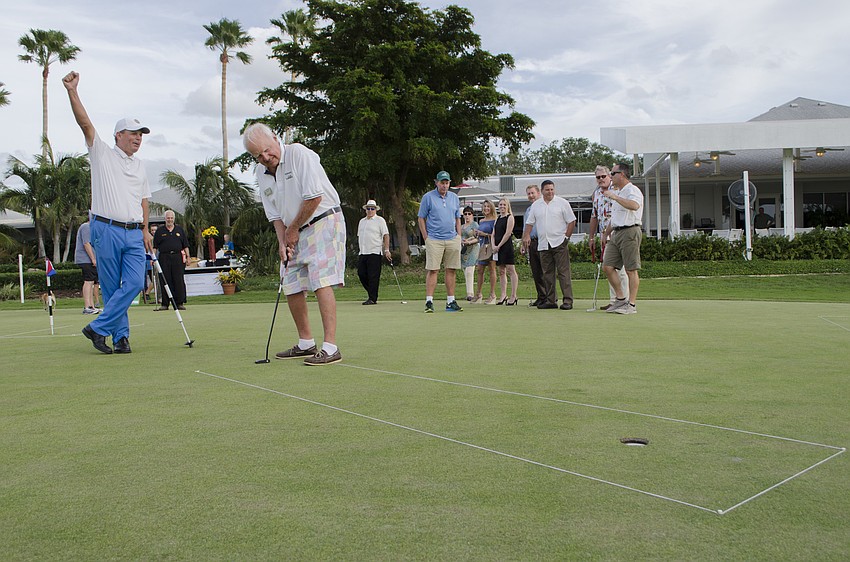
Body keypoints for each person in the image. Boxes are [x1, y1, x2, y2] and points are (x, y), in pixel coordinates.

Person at [63, 71, 153, 355]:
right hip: (105, 228)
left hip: (134, 232)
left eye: (141, 135)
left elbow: (144, 200)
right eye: (133, 134)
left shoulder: (140, 165)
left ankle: (98, 327)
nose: (138, 139)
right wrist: (72, 91)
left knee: (137, 282)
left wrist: (145, 229)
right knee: (113, 286)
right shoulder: (101, 152)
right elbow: (85, 123)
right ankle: (121, 337)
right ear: (118, 135)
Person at [243, 123, 346, 365]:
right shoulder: (261, 172)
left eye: (267, 150)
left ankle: (331, 347)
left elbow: (314, 197)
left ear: (276, 138)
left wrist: (292, 230)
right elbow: (275, 215)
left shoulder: (299, 154)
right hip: (293, 229)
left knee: (320, 279)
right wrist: (282, 241)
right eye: (258, 155)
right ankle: (306, 343)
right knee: (289, 281)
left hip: (323, 220)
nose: (266, 157)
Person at [522, 179, 576, 310]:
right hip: (543, 244)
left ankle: (568, 300)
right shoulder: (536, 205)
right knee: (547, 273)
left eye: (552, 189)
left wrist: (566, 238)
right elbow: (529, 223)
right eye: (547, 190)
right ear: (542, 191)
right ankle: (551, 300)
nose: (550, 192)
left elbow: (572, 221)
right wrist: (526, 235)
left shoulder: (562, 203)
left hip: (559, 243)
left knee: (563, 272)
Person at [418, 171, 463, 313]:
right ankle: (429, 301)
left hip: (452, 238)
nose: (444, 185)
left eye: (447, 183)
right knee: (433, 270)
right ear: (436, 182)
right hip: (434, 239)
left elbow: (457, 218)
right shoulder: (428, 197)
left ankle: (451, 301)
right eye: (442, 182)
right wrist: (426, 237)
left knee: (451, 269)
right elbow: (421, 218)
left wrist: (459, 236)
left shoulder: (454, 198)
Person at [602, 162, 644, 315]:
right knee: (608, 267)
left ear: (622, 174)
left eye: (612, 173)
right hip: (616, 233)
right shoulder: (618, 192)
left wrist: (614, 196)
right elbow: (615, 218)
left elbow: (634, 205)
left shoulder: (632, 190)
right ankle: (620, 299)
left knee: (631, 269)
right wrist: (606, 234)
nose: (610, 177)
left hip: (630, 231)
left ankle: (631, 305)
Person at [589, 165, 629, 310]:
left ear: (609, 176)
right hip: (604, 235)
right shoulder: (596, 194)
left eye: (603, 176)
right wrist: (592, 237)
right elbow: (594, 216)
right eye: (598, 177)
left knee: (621, 270)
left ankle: (625, 300)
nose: (600, 179)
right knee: (609, 267)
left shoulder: (618, 190)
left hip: (619, 232)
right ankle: (615, 300)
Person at [152, 210, 189, 311]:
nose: (170, 220)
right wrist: (153, 258)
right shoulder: (160, 231)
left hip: (177, 257)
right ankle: (165, 304)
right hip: (164, 258)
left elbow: (185, 245)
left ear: (174, 219)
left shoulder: (179, 230)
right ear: (165, 219)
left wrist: (188, 257)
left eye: (171, 218)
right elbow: (155, 247)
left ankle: (179, 303)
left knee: (178, 280)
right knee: (164, 280)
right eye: (168, 218)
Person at [356, 199, 391, 305]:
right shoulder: (362, 221)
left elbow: (386, 235)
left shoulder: (380, 220)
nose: (370, 210)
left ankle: (372, 298)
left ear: (376, 210)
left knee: (373, 276)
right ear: (365, 210)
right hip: (363, 252)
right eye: (368, 208)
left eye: (372, 208)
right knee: (361, 273)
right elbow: (359, 236)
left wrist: (386, 250)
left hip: (375, 252)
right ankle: (372, 292)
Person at [521, 185, 545, 307]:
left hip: (543, 241)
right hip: (532, 242)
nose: (531, 196)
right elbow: (526, 228)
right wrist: (523, 243)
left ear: (538, 193)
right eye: (529, 194)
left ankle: (550, 297)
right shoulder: (528, 210)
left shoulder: (543, 206)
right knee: (536, 271)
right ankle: (541, 296)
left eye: (532, 193)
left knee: (545, 271)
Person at [493, 198, 519, 305]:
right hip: (497, 248)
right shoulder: (498, 218)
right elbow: (493, 233)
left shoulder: (510, 217)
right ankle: (503, 295)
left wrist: (499, 245)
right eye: (500, 204)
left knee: (510, 270)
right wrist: (494, 245)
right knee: (501, 271)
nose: (502, 206)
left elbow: (508, 233)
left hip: (506, 247)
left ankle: (514, 295)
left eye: (504, 204)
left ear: (507, 206)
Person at [473, 200, 498, 304]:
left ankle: (492, 294)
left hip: (491, 247)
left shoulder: (495, 220)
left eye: (488, 206)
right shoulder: (481, 221)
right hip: (482, 248)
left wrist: (484, 234)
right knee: (480, 270)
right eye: (484, 207)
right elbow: (479, 236)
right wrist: (476, 234)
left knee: (492, 269)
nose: (486, 208)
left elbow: (495, 235)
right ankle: (478, 294)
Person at [74, 221, 100, 315]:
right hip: (85, 259)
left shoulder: (92, 228)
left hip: (89, 259)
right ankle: (87, 306)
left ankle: (91, 306)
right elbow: (86, 243)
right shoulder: (86, 227)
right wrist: (93, 258)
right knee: (88, 281)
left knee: (92, 281)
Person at [460, 206, 479, 300]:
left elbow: (478, 238)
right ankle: (468, 292)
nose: (467, 216)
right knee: (465, 271)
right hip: (464, 250)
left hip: (473, 249)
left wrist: (469, 241)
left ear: (472, 215)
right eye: (465, 214)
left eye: (469, 214)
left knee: (469, 271)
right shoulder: (461, 227)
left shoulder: (474, 225)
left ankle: (470, 294)